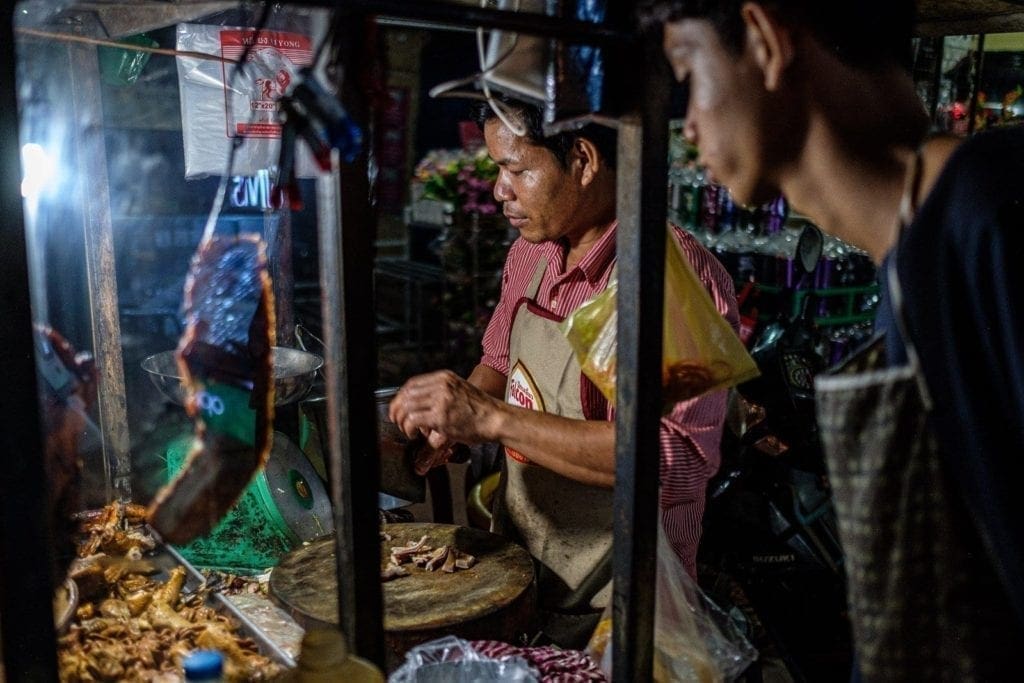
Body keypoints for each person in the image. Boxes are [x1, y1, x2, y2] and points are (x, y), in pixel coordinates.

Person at [639, 0, 1024, 679]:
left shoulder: (991, 214)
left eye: (687, 72)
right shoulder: (920, 252)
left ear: (764, 41)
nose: (689, 124)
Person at [388, 94, 739, 648]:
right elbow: (500, 359)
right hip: (525, 559)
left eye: (517, 169)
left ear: (582, 159)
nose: (502, 189)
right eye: (498, 169)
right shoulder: (532, 254)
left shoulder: (666, 277)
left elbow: (671, 463)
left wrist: (493, 419)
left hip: (619, 596)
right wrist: (454, 418)